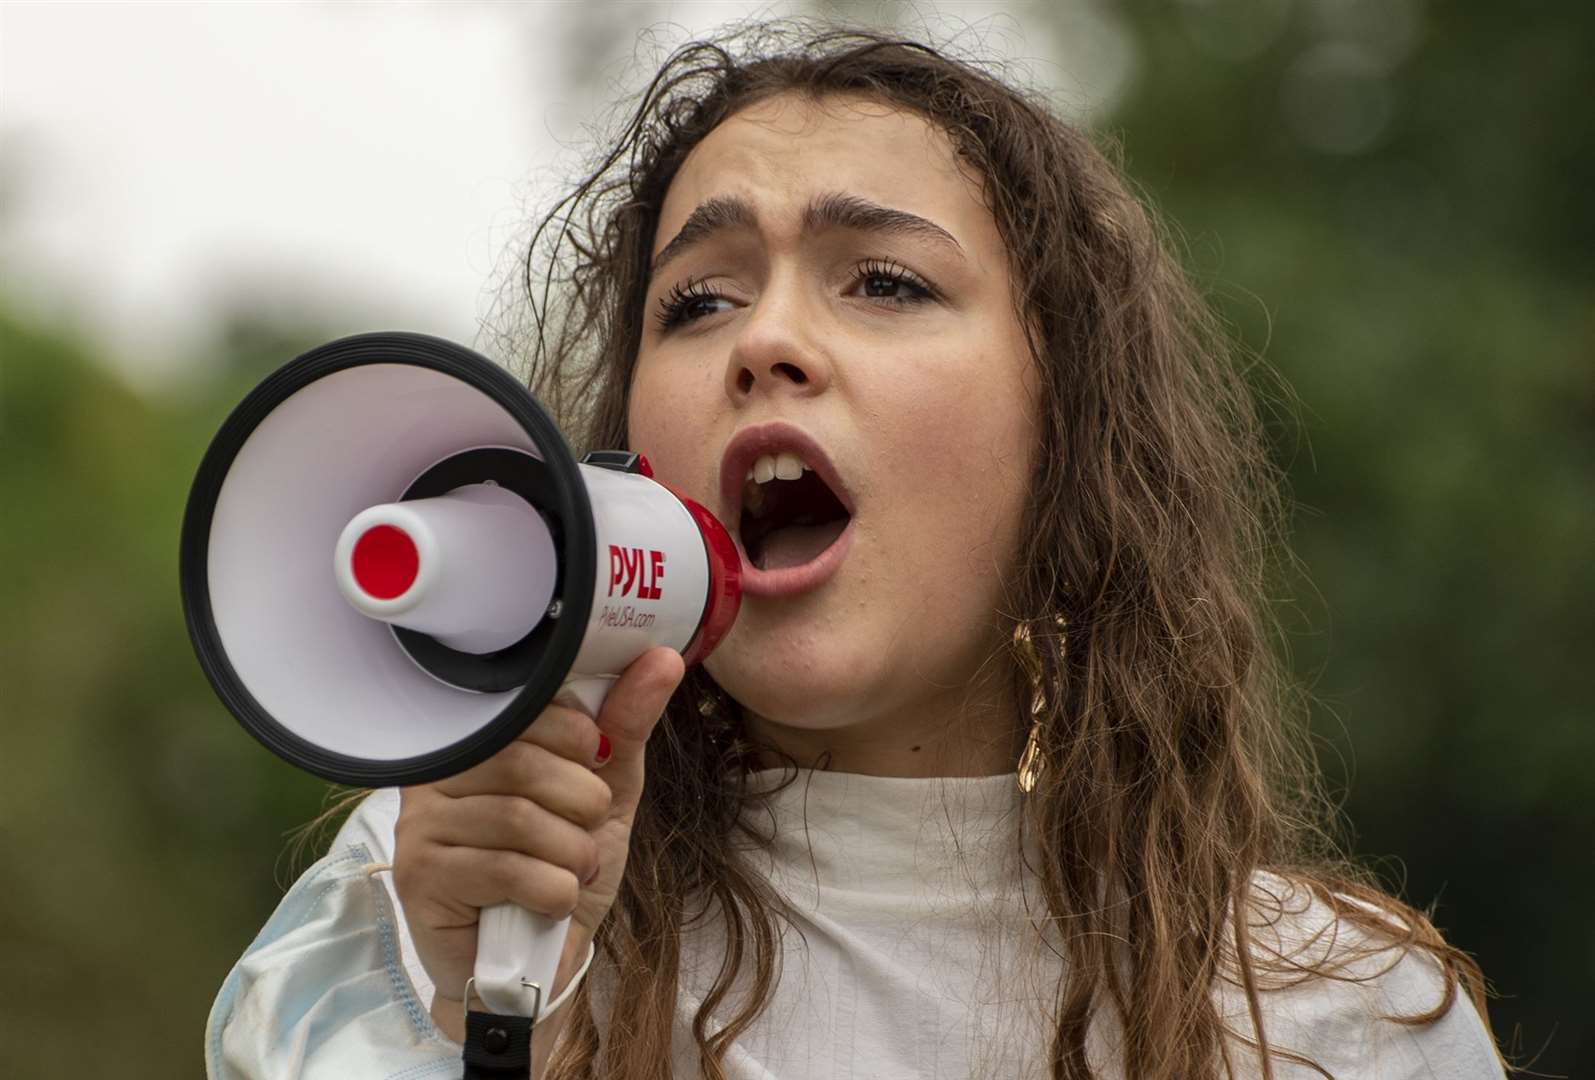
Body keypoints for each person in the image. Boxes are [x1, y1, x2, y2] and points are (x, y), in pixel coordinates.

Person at [206, 23, 1510, 1080]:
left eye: (884, 280)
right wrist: (451, 1016)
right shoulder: (438, 892)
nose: (763, 339)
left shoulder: (1332, 1017)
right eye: (698, 300)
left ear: (1071, 420)